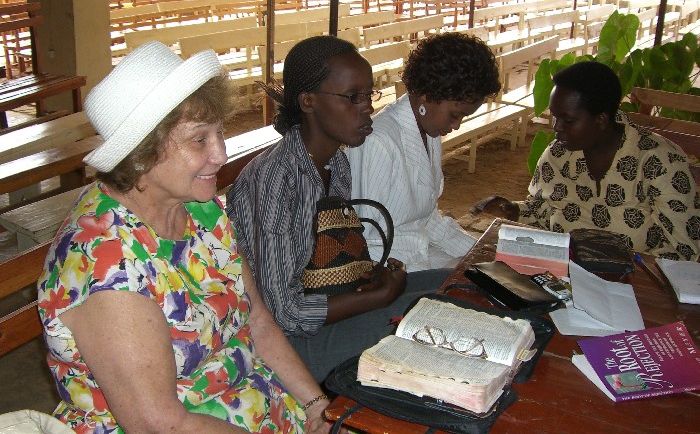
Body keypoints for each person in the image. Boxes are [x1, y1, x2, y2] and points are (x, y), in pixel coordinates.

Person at [37, 41, 333, 433]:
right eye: (199, 140)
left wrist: (318, 409)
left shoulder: (200, 209)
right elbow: (160, 425)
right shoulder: (107, 266)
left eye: (219, 133)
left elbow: (258, 322)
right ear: (142, 153)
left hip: (259, 409)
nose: (221, 153)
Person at [227, 36, 445, 383]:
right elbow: (284, 312)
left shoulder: (336, 164)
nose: (367, 107)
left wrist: (370, 278)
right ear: (308, 101)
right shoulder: (275, 180)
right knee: (427, 321)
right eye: (353, 97)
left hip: (320, 310)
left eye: (369, 95)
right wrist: (380, 296)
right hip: (282, 344)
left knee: (449, 285)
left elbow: (328, 260)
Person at [472, 61, 700, 261]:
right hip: (563, 274)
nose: (556, 128)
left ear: (601, 119)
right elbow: (542, 210)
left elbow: (684, 249)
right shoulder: (558, 155)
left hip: (635, 283)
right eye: (555, 117)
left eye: (568, 120)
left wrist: (623, 270)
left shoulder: (658, 162)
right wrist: (513, 210)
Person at [345, 33, 502, 272]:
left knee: (491, 270)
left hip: (418, 252)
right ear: (428, 94)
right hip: (387, 268)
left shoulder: (429, 131)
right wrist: (430, 272)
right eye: (455, 115)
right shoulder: (378, 141)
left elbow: (426, 218)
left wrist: (479, 250)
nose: (456, 125)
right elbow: (362, 237)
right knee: (474, 281)